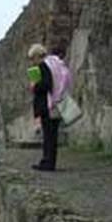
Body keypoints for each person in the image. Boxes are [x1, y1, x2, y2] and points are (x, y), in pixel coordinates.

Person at [27, 43, 70, 171]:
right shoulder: (55, 64)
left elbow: (46, 84)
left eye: (32, 58)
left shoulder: (43, 66)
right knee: (52, 135)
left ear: (37, 56)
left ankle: (47, 162)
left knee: (48, 136)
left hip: (48, 105)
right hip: (57, 103)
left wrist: (34, 86)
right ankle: (49, 161)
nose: (32, 62)